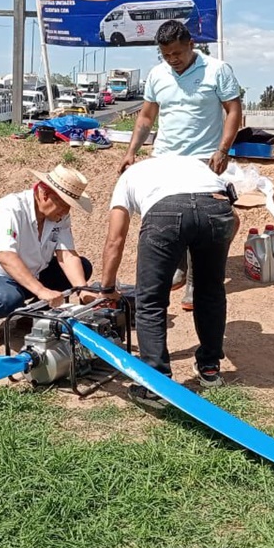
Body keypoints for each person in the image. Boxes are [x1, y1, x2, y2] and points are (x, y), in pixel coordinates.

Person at [119, 19, 244, 310]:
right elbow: (146, 118)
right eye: (167, 55)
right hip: (165, 159)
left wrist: (223, 149)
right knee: (169, 217)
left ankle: (196, 279)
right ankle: (180, 267)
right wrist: (131, 151)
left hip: (203, 160)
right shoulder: (158, 75)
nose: (173, 60)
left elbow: (234, 110)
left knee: (211, 221)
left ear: (191, 45)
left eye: (178, 53)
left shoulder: (217, 70)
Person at [97, 155, 238, 409]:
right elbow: (233, 217)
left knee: (150, 300)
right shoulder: (192, 165)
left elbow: (114, 240)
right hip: (217, 209)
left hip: (165, 213)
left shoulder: (127, 178)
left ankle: (156, 384)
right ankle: (209, 369)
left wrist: (107, 288)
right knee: (211, 292)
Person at [0, 164, 95, 346]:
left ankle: (31, 315)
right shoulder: (10, 208)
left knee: (83, 267)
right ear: (44, 194)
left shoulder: (59, 216)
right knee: (7, 299)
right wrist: (42, 291)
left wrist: (83, 289)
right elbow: (4, 255)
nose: (66, 212)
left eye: (69, 207)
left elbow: (68, 255)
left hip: (29, 275)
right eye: (63, 205)